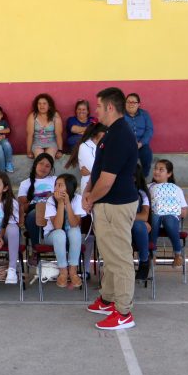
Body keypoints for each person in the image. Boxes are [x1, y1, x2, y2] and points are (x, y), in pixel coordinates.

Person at [83, 87, 139, 331]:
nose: (95, 110)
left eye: (98, 106)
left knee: (120, 259)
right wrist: (88, 192)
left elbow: (107, 180)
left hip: (115, 205)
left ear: (109, 107)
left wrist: (91, 198)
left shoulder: (120, 135)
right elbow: (98, 171)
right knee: (110, 256)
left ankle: (124, 311)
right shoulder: (111, 133)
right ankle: (108, 299)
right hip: (107, 204)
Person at [42, 174, 86, 288]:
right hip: (52, 235)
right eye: (55, 184)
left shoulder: (77, 199)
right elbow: (57, 226)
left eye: (60, 185)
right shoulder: (51, 201)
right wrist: (61, 203)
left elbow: (74, 223)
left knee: (75, 231)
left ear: (69, 188)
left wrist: (68, 203)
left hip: (71, 236)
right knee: (60, 234)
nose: (56, 188)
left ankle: (73, 271)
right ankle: (63, 271)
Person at [149, 159, 188, 269]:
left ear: (169, 174)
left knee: (169, 220)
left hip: (171, 216)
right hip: (154, 215)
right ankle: (152, 254)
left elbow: (184, 210)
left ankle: (178, 254)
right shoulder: (149, 187)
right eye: (155, 169)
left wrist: (180, 211)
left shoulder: (176, 189)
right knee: (155, 218)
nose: (157, 172)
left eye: (161, 170)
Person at [18, 153, 56, 244]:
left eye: (47, 166)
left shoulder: (55, 180)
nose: (43, 167)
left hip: (53, 212)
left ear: (51, 169)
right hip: (33, 212)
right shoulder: (25, 183)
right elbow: (23, 206)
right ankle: (36, 247)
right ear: (35, 164)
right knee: (34, 214)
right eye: (41, 164)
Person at [65, 122, 107, 193]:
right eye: (104, 134)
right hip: (89, 185)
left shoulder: (104, 146)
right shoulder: (84, 146)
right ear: (96, 133)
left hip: (102, 183)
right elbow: (93, 167)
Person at [124, 93, 155, 178]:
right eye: (128, 102)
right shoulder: (120, 115)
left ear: (138, 104)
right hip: (126, 145)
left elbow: (149, 130)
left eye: (133, 102)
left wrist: (140, 143)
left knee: (147, 154)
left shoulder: (144, 114)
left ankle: (143, 179)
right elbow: (118, 131)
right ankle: (128, 179)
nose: (131, 104)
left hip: (141, 144)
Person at [25, 93, 63, 160]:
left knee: (49, 159)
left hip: (52, 143)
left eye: (44, 103)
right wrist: (28, 151)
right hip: (37, 144)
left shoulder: (55, 115)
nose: (41, 106)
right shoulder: (33, 116)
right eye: (39, 103)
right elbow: (30, 135)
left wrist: (60, 150)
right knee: (40, 159)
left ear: (49, 105)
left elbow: (58, 134)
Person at [132, 166, 152, 281]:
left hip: (135, 228)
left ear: (134, 178)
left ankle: (144, 260)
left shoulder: (141, 194)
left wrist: (128, 217)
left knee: (139, 225)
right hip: (122, 227)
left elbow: (144, 216)